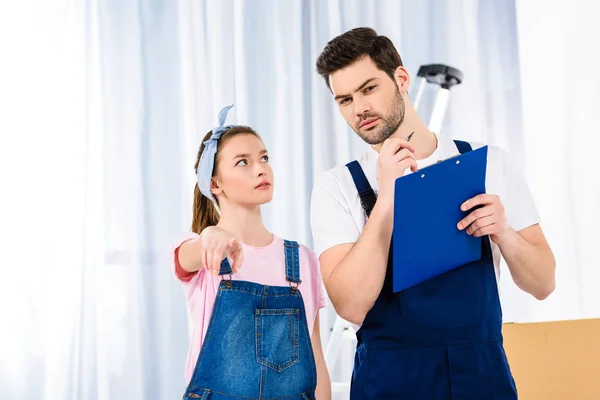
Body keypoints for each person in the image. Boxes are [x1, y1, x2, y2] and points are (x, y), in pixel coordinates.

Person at [310, 27, 556, 399]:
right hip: (389, 382)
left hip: (482, 375)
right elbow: (351, 306)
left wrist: (504, 232)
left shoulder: (489, 164)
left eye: (368, 88)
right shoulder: (337, 186)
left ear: (402, 78)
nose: (359, 108)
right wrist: (388, 198)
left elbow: (544, 283)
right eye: (344, 100)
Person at [171, 105, 331, 400]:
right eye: (242, 162)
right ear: (214, 184)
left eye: (264, 158)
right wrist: (210, 235)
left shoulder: (303, 260)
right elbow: (188, 256)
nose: (261, 168)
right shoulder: (202, 251)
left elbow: (317, 361)